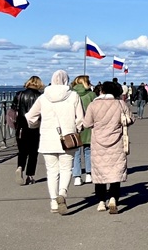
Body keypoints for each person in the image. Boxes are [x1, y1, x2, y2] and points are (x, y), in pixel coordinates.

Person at [23, 70, 85, 214]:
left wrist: (36, 125)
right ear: (66, 80)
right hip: (68, 138)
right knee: (66, 169)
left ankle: (53, 202)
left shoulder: (44, 97)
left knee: (51, 172)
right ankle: (62, 194)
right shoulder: (74, 96)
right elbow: (80, 119)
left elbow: (30, 116)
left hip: (47, 138)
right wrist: (77, 128)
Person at [82, 79, 132, 214]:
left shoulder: (93, 105)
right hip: (117, 143)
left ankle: (100, 202)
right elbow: (130, 119)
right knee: (115, 173)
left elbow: (86, 124)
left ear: (102, 90)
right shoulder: (120, 104)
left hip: (98, 144)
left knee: (100, 174)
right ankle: (113, 198)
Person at [10, 76, 44, 185]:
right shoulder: (40, 97)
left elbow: (13, 110)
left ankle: (20, 167)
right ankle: (30, 176)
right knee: (33, 152)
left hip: (21, 126)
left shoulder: (19, 95)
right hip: (35, 127)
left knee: (22, 151)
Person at [71, 75, 95, 186]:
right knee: (88, 151)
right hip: (88, 126)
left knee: (76, 152)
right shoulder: (91, 95)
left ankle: (77, 176)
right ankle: (89, 174)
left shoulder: (71, 95)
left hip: (74, 126)